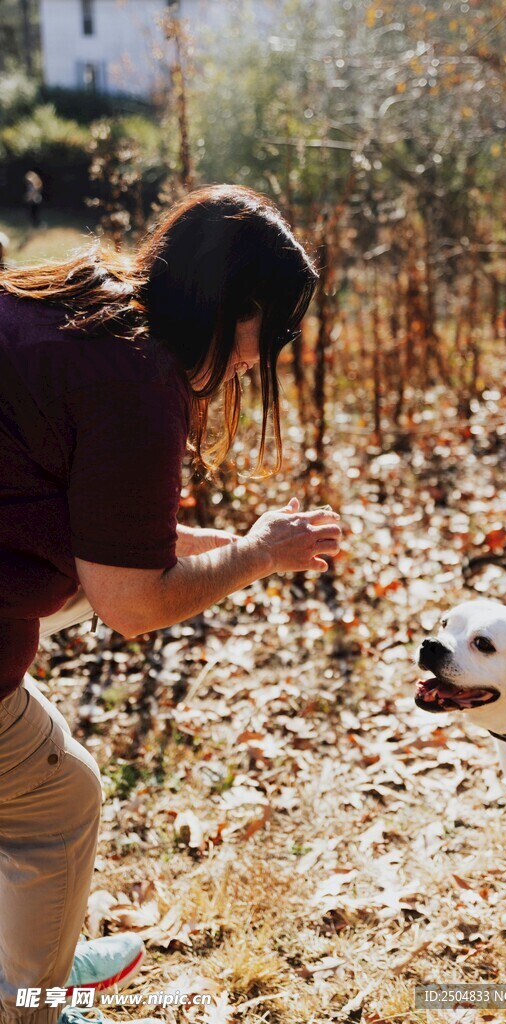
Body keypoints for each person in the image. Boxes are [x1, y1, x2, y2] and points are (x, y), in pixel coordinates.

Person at [0, 184, 342, 1024]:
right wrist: (257, 556)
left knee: (34, 780)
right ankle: (30, 997)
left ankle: (31, 947)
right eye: (275, 333)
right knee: (57, 799)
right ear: (242, 303)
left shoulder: (82, 297)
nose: (259, 358)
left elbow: (114, 537)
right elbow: (131, 602)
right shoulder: (137, 376)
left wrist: (245, 542)